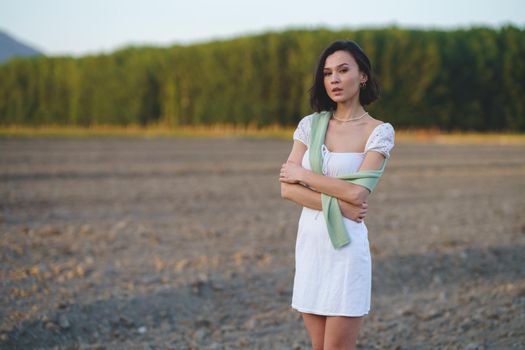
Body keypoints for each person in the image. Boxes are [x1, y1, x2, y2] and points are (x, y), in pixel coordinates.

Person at [279, 40, 395, 349]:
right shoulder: (310, 125)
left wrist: (305, 175)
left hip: (345, 252)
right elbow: (286, 188)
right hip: (310, 247)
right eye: (328, 73)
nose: (334, 79)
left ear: (363, 76)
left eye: (343, 70)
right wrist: (338, 206)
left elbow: (357, 193)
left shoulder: (379, 131)